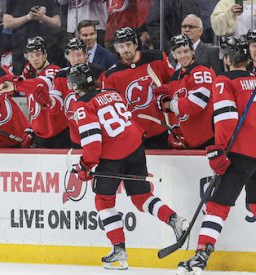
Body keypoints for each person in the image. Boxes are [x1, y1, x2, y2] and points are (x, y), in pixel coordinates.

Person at [177, 36, 256, 274]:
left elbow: (226, 117)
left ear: (228, 57)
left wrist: (219, 149)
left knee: (217, 206)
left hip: (239, 154)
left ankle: (200, 258)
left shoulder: (222, 81)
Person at [69, 63, 188, 270]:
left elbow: (93, 142)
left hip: (112, 155)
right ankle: (174, 219)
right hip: (135, 147)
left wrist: (85, 166)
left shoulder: (81, 105)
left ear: (74, 85)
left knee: (104, 201)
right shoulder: (112, 93)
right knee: (141, 197)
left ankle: (119, 251)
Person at [102, 27, 175, 149]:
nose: (125, 49)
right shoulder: (110, 76)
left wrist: (166, 90)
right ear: (116, 49)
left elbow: (176, 83)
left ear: (136, 44)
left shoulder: (157, 58)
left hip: (163, 128)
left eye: (128, 44)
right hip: (134, 136)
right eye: (121, 46)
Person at [157, 34, 215, 149]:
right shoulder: (175, 77)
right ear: (174, 55)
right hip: (190, 143)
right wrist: (177, 130)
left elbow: (196, 103)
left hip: (209, 140)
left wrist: (169, 105)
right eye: (179, 52)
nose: (183, 56)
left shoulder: (202, 70)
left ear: (192, 51)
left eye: (186, 51)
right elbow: (178, 115)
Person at [12, 36, 69, 148]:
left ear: (45, 54)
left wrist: (16, 85)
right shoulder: (31, 80)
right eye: (31, 56)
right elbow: (34, 112)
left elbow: (43, 83)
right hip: (41, 139)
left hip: (59, 137)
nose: (35, 59)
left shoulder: (54, 70)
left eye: (38, 54)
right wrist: (32, 129)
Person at [3, 0, 62, 75]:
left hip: (46, 48)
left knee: (48, 79)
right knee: (20, 80)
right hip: (21, 48)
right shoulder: (13, 1)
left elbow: (57, 23)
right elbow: (7, 23)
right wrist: (28, 17)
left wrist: (42, 17)